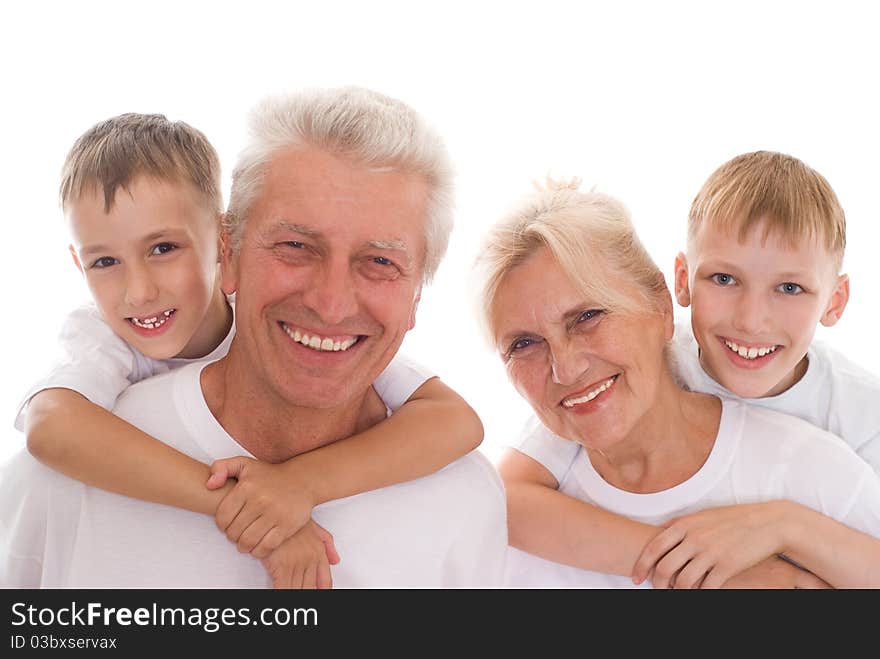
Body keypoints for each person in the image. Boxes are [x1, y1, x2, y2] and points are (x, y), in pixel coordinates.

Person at [0, 86, 508, 588]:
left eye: (380, 261)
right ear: (231, 252)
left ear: (417, 296)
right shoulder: (62, 476)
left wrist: (298, 486)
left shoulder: (464, 499)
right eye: (294, 245)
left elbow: (455, 419)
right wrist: (246, 510)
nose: (331, 306)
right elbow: (52, 424)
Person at [474, 178, 880, 588]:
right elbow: (502, 497)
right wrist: (703, 572)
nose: (566, 369)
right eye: (524, 343)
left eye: (588, 316)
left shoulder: (831, 446)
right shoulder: (533, 492)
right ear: (683, 284)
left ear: (661, 305)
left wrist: (787, 525)